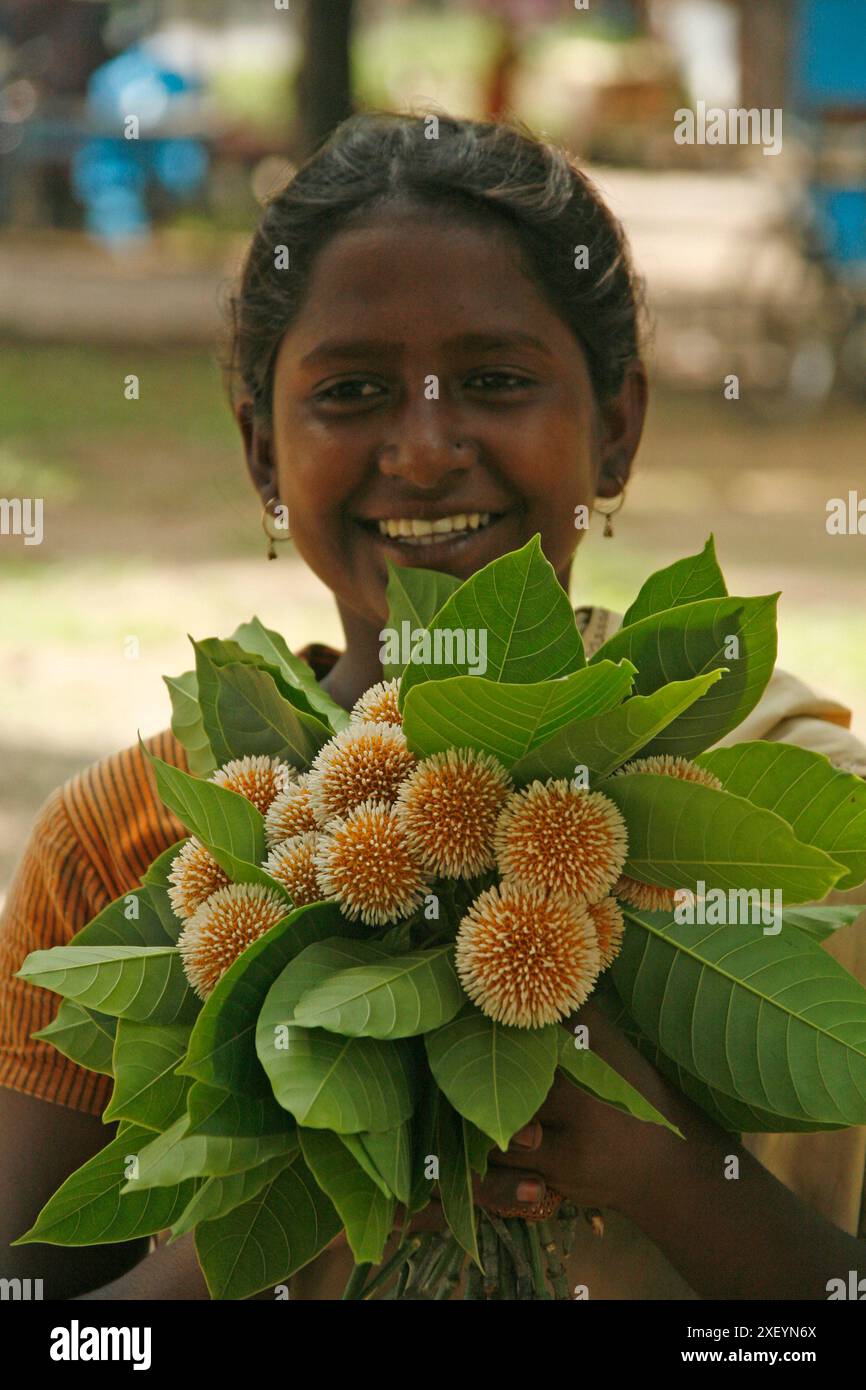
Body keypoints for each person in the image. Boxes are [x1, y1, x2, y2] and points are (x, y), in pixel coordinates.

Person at [1, 112, 865, 1301]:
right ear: (262, 455)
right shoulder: (128, 845)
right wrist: (280, 1198)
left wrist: (662, 1165)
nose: (420, 450)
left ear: (615, 428)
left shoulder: (790, 806)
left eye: (494, 381)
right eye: (352, 391)